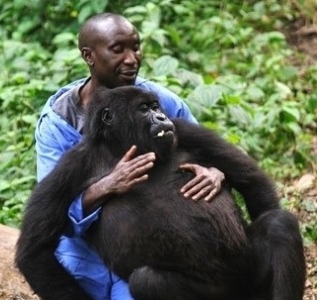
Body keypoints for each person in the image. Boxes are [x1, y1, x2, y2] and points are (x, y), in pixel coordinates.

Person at [34, 13, 225, 299]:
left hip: (145, 256)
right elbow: (52, 212)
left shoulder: (157, 100)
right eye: (117, 49)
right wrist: (108, 185)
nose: (131, 58)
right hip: (84, 256)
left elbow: (211, 153)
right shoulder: (59, 124)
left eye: (135, 47)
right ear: (89, 55)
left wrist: (215, 171)